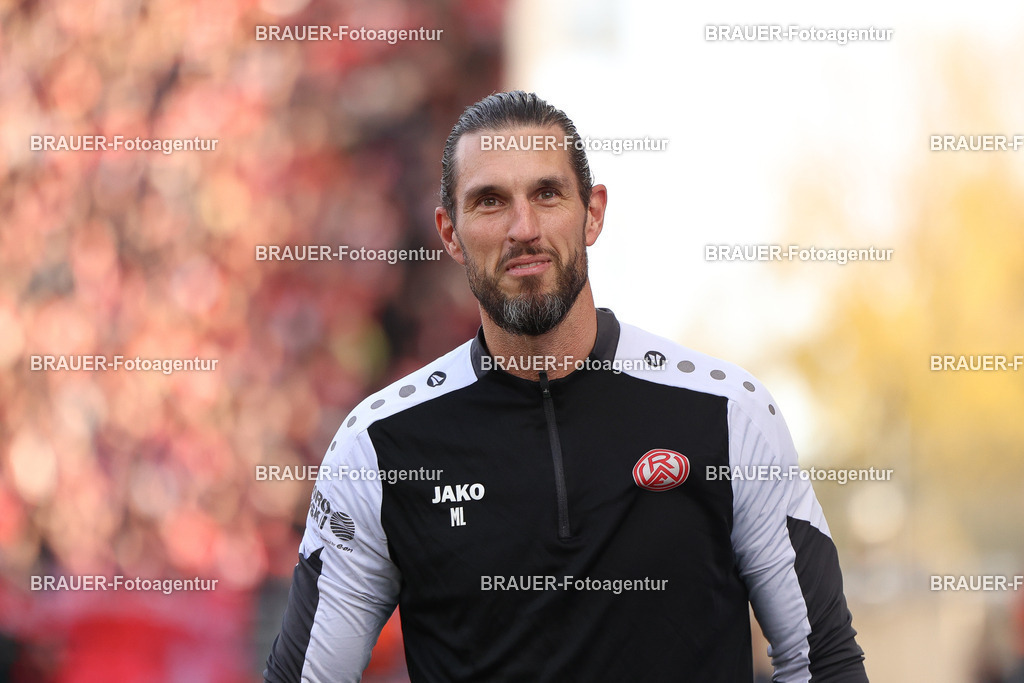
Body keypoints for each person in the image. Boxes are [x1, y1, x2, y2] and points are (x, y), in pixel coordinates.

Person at [264, 91, 868, 682]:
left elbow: (824, 664)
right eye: (491, 202)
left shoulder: (728, 415)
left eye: (547, 194)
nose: (523, 228)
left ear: (594, 213)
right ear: (449, 232)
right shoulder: (377, 447)